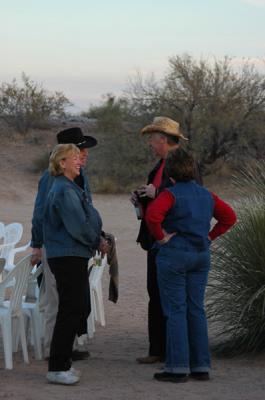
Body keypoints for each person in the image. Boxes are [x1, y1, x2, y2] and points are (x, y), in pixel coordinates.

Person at [145, 149, 237, 383]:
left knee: (175, 310)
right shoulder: (207, 195)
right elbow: (229, 217)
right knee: (196, 309)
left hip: (174, 255)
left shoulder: (169, 194)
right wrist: (209, 237)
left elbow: (152, 216)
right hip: (200, 255)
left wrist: (161, 237)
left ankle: (176, 367)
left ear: (170, 173)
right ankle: (200, 365)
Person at [132, 116, 202, 364]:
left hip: (172, 241)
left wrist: (157, 192)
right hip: (157, 240)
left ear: (163, 140)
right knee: (156, 292)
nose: (150, 143)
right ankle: (158, 349)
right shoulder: (159, 165)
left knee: (173, 297)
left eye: (153, 139)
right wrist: (142, 199)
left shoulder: (184, 165)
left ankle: (172, 352)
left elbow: (190, 197)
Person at [30, 127, 102, 360]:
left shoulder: (79, 177)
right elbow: (40, 212)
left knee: (70, 300)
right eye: (81, 149)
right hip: (58, 246)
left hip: (75, 247)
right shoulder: (51, 179)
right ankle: (55, 350)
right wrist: (37, 245)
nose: (85, 154)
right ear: (66, 155)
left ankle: (66, 346)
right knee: (55, 299)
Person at [44, 144, 102, 385]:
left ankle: (62, 364)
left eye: (80, 158)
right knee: (70, 310)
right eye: (74, 158)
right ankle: (58, 367)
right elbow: (78, 226)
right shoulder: (64, 191)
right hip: (68, 255)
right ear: (61, 163)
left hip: (71, 254)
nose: (79, 161)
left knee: (72, 308)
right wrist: (96, 240)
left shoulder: (69, 187)